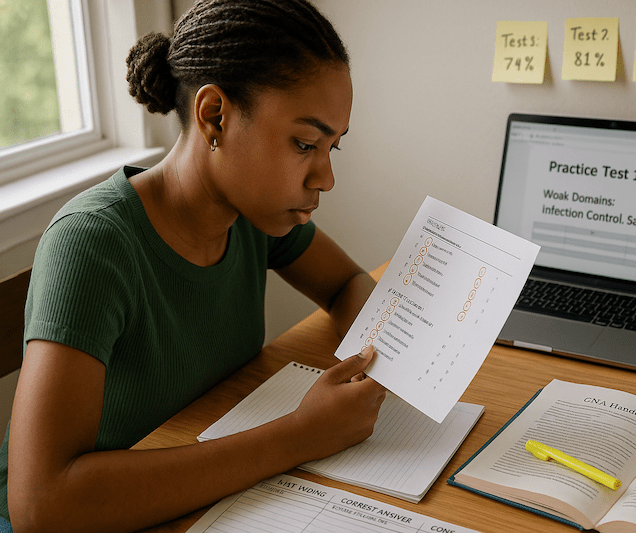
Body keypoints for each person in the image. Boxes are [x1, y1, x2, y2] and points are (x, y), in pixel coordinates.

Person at [0, 1, 387, 531]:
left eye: (331, 148)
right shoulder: (92, 244)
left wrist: (384, 355)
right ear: (215, 116)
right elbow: (42, 506)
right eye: (304, 144)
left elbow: (346, 283)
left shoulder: (253, 216)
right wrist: (299, 434)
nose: (326, 177)